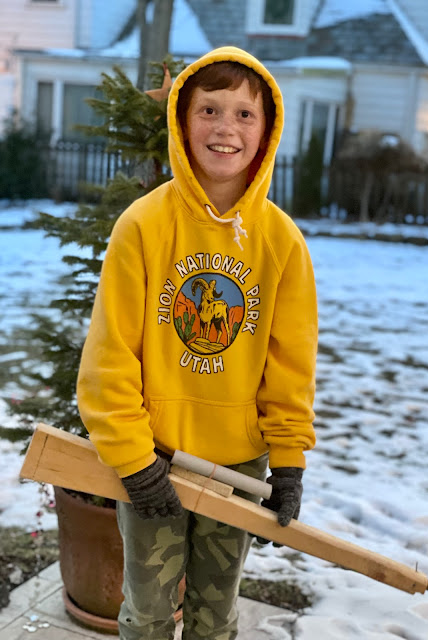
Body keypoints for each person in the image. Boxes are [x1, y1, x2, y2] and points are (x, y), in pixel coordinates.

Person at [77, 46, 318, 640]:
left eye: (244, 114)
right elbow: (110, 356)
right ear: (182, 121)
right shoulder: (143, 225)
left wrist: (287, 464)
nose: (225, 128)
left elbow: (291, 365)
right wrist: (134, 461)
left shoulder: (282, 241)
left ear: (266, 131)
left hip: (238, 466)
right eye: (209, 110)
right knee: (148, 614)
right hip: (154, 456)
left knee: (216, 615)